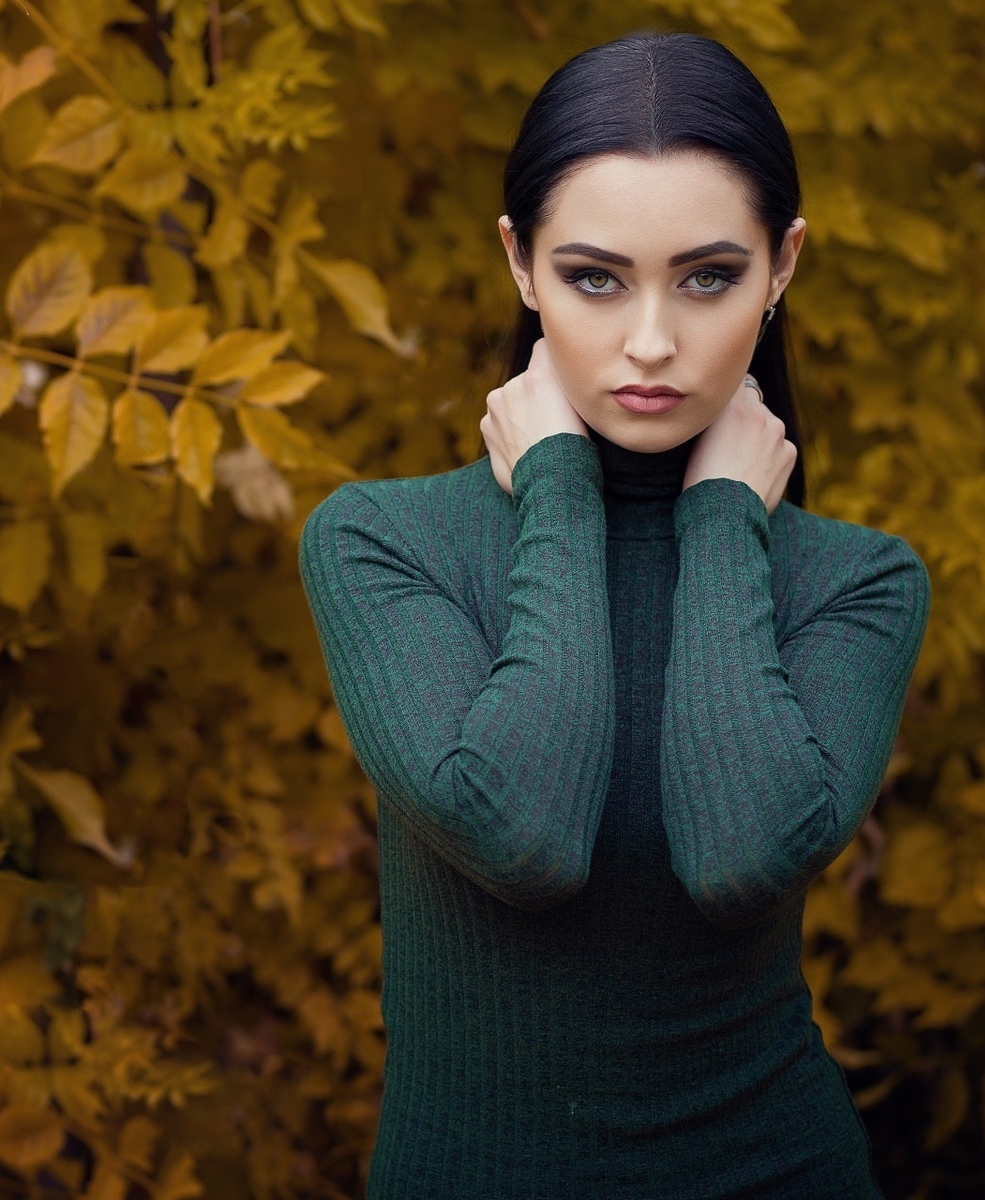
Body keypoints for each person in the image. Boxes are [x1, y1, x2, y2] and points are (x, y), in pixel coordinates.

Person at [297, 30, 930, 1200]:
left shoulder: (855, 583)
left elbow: (740, 854)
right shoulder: (383, 545)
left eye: (707, 277)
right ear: (521, 265)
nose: (651, 342)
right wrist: (560, 494)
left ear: (782, 265)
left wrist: (725, 516)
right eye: (595, 277)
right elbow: (520, 835)